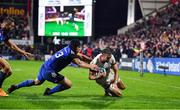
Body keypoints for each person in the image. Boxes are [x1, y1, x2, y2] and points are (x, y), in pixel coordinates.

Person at [8, 39, 99, 96]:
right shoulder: (71, 54)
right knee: (68, 84)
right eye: (80, 47)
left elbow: (80, 56)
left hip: (44, 66)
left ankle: (16, 86)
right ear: (76, 47)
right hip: (49, 72)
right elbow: (79, 63)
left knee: (37, 82)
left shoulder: (68, 49)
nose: (81, 48)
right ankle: (49, 92)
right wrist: (91, 66)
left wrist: (89, 59)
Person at [0, 17, 33, 96]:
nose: (12, 28)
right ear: (5, 24)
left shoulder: (4, 33)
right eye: (11, 26)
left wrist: (23, 52)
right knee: (6, 67)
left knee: (9, 72)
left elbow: (12, 46)